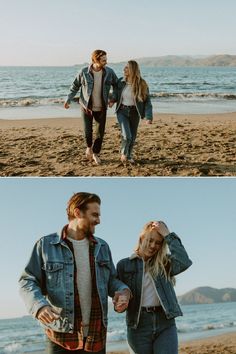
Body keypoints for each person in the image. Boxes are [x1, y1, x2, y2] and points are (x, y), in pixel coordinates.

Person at [19, 192, 130, 354]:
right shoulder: (46, 245)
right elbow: (27, 280)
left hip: (96, 335)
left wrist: (123, 291)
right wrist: (39, 306)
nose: (99, 220)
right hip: (60, 337)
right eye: (94, 214)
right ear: (78, 213)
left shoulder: (102, 247)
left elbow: (112, 280)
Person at [116, 220, 192, 354]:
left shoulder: (164, 263)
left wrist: (168, 235)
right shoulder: (124, 265)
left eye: (158, 242)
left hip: (165, 324)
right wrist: (119, 305)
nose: (153, 246)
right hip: (138, 326)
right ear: (141, 238)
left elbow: (184, 261)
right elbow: (118, 293)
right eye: (150, 240)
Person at [64, 50, 118, 165]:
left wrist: (113, 99)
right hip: (86, 107)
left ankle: (96, 154)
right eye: (104, 60)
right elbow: (74, 86)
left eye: (106, 59)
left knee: (100, 133)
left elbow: (117, 85)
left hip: (102, 107)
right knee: (87, 131)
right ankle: (89, 147)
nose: (106, 62)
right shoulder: (84, 72)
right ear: (96, 60)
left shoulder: (109, 72)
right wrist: (68, 99)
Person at [110, 60, 153, 164]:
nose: (124, 69)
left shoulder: (142, 84)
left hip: (135, 112)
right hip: (122, 111)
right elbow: (115, 92)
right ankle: (124, 153)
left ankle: (129, 155)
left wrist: (148, 117)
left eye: (127, 67)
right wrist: (112, 100)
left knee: (132, 136)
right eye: (124, 67)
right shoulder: (121, 81)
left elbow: (147, 101)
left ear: (132, 70)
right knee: (127, 135)